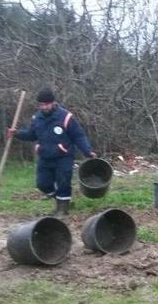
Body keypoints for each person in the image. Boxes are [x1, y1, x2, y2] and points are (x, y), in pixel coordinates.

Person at [8, 86, 96, 217]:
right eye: (41, 105)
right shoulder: (37, 118)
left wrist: (87, 151)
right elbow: (31, 135)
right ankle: (60, 199)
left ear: (53, 102)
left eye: (46, 104)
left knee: (63, 183)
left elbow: (79, 136)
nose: (44, 107)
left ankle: (62, 209)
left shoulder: (66, 117)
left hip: (63, 157)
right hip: (44, 156)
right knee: (42, 184)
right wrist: (17, 133)